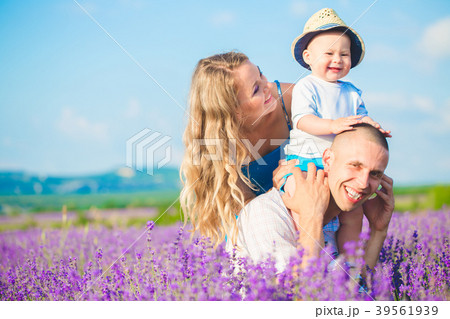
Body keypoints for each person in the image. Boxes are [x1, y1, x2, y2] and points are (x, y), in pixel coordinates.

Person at [283, 8, 391, 255]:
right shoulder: (306, 86)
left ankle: (347, 259)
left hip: (342, 166)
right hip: (308, 162)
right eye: (329, 53)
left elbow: (362, 117)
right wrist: (332, 125)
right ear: (308, 56)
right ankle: (311, 253)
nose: (338, 59)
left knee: (353, 214)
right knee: (306, 209)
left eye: (344, 54)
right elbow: (302, 120)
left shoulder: (352, 91)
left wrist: (373, 127)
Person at [226, 123, 394, 273]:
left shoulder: (342, 224)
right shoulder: (264, 213)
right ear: (328, 160)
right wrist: (312, 217)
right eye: (355, 165)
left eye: (375, 174)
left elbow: (356, 289)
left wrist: (378, 231)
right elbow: (294, 295)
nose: (364, 183)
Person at [180, 52, 295, 246]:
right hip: (257, 227)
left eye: (261, 74)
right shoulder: (217, 143)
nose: (268, 85)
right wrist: (278, 194)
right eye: (256, 89)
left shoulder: (293, 100)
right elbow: (245, 208)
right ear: (233, 110)